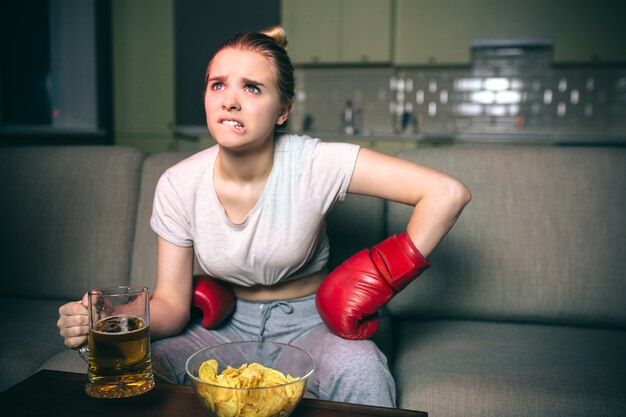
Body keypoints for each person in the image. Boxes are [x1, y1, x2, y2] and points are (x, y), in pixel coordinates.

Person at [57, 26, 471, 407]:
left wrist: (378, 277)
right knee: (153, 370)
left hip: (314, 327)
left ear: (283, 110)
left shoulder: (314, 163)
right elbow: (172, 305)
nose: (230, 99)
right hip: (223, 327)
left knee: (364, 372)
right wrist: (110, 317)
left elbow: (446, 193)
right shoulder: (178, 184)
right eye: (217, 84)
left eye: (252, 88)